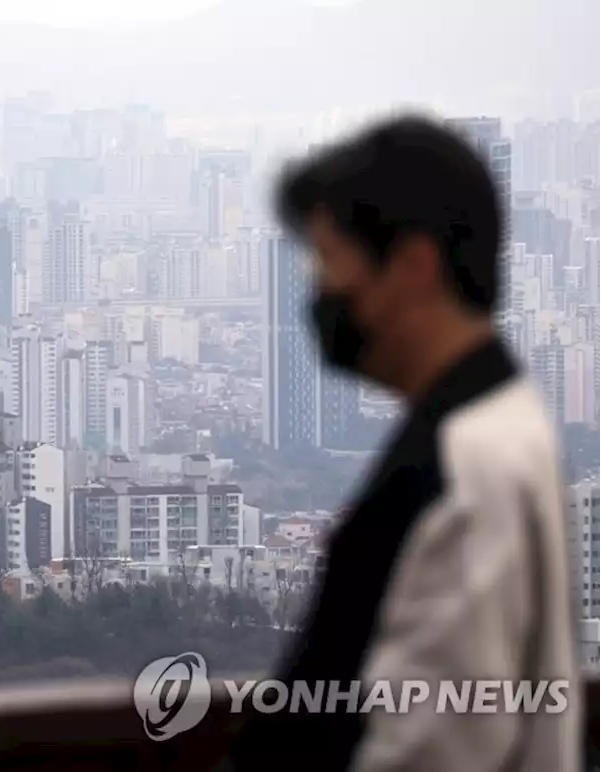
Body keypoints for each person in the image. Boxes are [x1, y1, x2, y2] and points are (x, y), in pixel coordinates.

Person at [227, 116, 580, 772]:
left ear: (414, 266)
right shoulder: (488, 426)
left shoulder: (469, 463)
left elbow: (432, 751)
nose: (320, 296)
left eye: (332, 264)